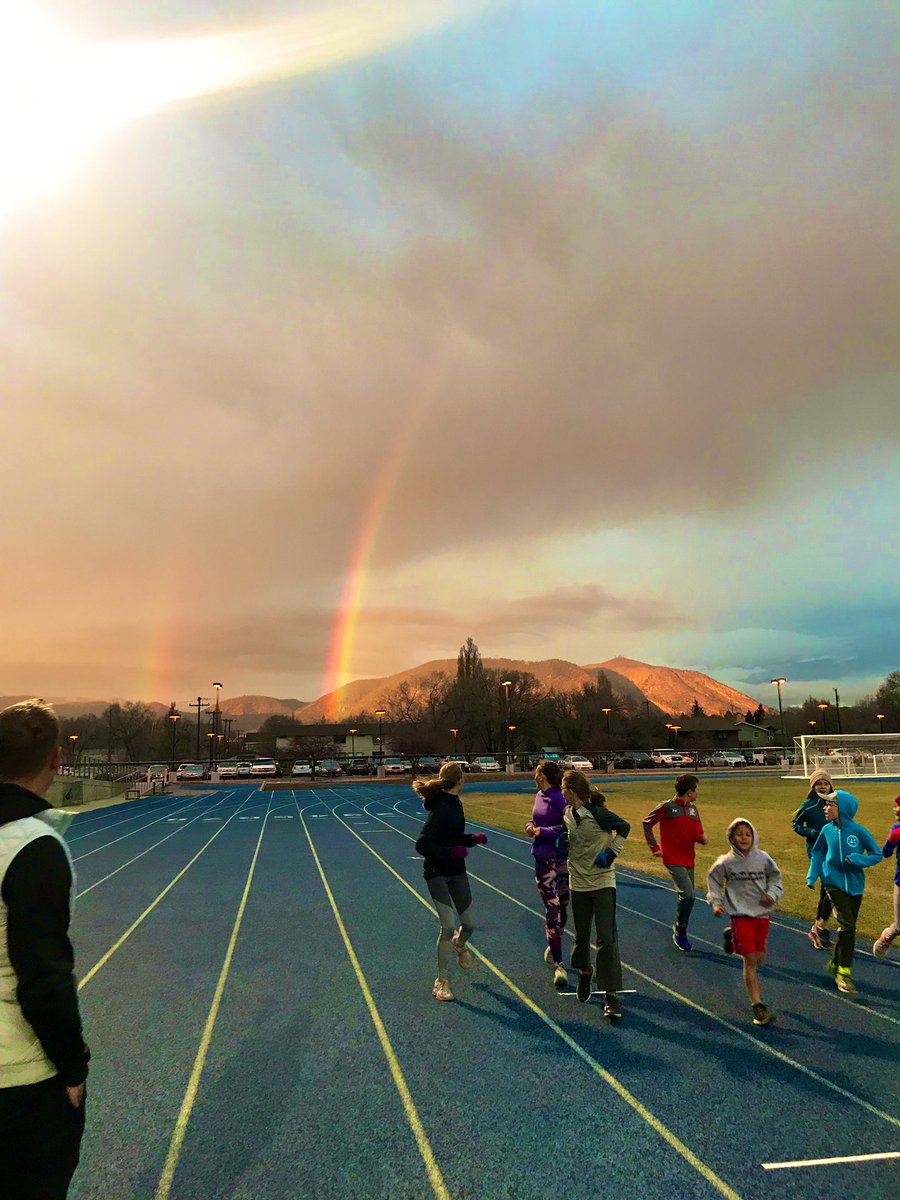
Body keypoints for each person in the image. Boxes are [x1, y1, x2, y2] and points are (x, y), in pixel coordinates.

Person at [0, 700, 90, 1199]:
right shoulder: (30, 844)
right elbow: (44, 975)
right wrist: (73, 1067)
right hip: (18, 1078)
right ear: (56, 759)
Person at [414, 761, 488, 1002]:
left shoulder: (456, 803)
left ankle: (460, 945)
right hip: (437, 873)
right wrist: (452, 852)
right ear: (460, 781)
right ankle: (441, 981)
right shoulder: (442, 808)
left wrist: (470, 840)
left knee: (468, 926)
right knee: (447, 927)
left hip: (457, 872)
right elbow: (422, 844)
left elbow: (452, 838)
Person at [561, 770, 630, 1020]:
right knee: (580, 935)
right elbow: (568, 838)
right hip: (577, 883)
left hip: (602, 882)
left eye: (563, 788)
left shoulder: (598, 814)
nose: (561, 793)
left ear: (571, 790)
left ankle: (610, 994)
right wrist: (562, 844)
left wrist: (611, 854)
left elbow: (624, 827)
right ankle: (584, 973)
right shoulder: (567, 814)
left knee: (606, 937)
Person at [707, 818, 783, 1026]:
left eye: (747, 834)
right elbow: (713, 881)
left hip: (761, 914)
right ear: (731, 837)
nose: (744, 838)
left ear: (753, 836)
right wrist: (716, 902)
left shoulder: (763, 859)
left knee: (759, 959)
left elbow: (776, 879)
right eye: (739, 834)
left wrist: (772, 894)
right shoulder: (726, 862)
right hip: (740, 915)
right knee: (749, 961)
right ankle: (757, 1005)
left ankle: (732, 936)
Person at [807, 789, 881, 995]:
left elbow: (876, 854)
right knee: (847, 924)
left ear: (843, 809)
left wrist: (859, 860)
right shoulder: (827, 830)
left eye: (830, 804)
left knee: (848, 928)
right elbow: (818, 852)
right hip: (832, 882)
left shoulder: (858, 831)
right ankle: (844, 972)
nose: (825, 808)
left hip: (855, 887)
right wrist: (813, 876)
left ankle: (836, 962)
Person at [642, 774, 707, 951]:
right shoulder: (667, 807)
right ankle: (680, 930)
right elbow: (647, 823)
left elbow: (697, 830)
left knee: (687, 898)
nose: (697, 792)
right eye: (696, 789)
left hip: (689, 859)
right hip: (672, 858)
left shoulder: (693, 810)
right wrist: (654, 847)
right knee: (689, 895)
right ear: (689, 791)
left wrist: (701, 837)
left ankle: (680, 927)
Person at [525, 760, 570, 989]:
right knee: (552, 909)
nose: (534, 775)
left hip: (560, 859)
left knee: (564, 907)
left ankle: (554, 943)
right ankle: (559, 964)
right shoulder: (539, 795)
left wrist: (543, 831)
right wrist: (531, 825)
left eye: (536, 772)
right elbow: (537, 819)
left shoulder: (558, 798)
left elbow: (567, 827)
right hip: (542, 861)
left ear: (542, 775)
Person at [791, 768, 835, 949]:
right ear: (813, 786)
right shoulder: (808, 805)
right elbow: (796, 824)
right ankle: (819, 928)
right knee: (829, 887)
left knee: (830, 889)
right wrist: (811, 833)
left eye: (825, 783)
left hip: (834, 849)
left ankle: (818, 926)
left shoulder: (836, 802)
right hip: (817, 851)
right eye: (819, 783)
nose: (823, 787)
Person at [872, 794, 900, 960]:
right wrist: (891, 841)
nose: (896, 809)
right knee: (898, 926)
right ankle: (887, 937)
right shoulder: (896, 830)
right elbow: (886, 853)